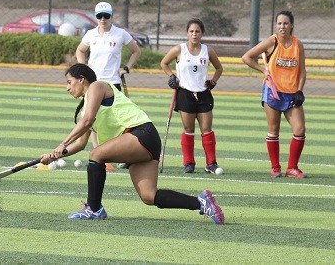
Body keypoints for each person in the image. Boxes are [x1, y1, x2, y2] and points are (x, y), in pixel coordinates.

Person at [39, 63, 224, 224]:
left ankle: (94, 209)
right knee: (149, 196)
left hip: (141, 134)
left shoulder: (97, 86)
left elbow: (87, 120)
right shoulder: (85, 109)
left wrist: (62, 143)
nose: (67, 88)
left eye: (69, 82)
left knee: (96, 155)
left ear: (81, 79)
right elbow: (80, 144)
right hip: (139, 145)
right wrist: (55, 154)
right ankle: (201, 203)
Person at [75, 1, 141, 171]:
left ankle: (123, 155)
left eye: (106, 16)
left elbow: (136, 51)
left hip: (112, 84)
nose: (103, 19)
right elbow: (80, 51)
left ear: (111, 16)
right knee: (94, 121)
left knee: (118, 122)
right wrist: (84, 67)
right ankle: (99, 155)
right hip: (94, 84)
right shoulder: (90, 34)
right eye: (99, 16)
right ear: (96, 17)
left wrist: (126, 68)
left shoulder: (120, 34)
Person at [242, 10, 306, 178]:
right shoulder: (272, 42)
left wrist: (299, 90)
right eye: (279, 23)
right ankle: (275, 167)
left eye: (285, 23)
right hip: (273, 92)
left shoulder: (297, 44)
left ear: (291, 25)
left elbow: (302, 71)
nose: (282, 26)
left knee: (299, 129)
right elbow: (247, 57)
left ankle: (292, 168)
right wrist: (263, 69)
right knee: (273, 129)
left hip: (292, 94)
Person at [160, 18, 223, 174]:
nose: (194, 34)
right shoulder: (179, 49)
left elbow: (219, 68)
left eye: (197, 31)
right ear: (187, 33)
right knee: (188, 129)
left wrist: (213, 82)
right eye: (191, 31)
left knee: (207, 130)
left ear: (202, 34)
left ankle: (211, 163)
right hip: (185, 93)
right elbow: (164, 63)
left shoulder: (208, 51)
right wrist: (171, 76)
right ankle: (189, 163)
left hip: (203, 94)